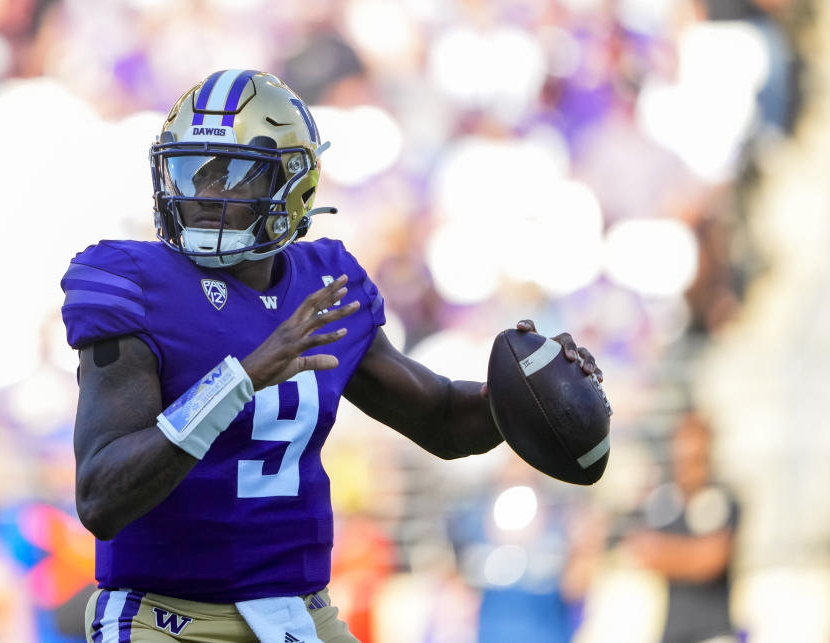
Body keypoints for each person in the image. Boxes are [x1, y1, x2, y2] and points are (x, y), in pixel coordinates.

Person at [61, 69, 603, 643]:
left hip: (295, 616)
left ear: (292, 185)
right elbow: (101, 497)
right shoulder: (133, 283)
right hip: (164, 618)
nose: (201, 194)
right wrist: (240, 380)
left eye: (231, 175)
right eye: (191, 170)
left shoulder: (326, 284)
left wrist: (528, 390)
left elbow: (443, 421)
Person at [619, 412, 741, 643]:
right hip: (671, 634)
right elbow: (640, 551)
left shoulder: (725, 499)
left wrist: (666, 552)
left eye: (696, 458)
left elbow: (710, 560)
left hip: (714, 633)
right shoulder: (661, 502)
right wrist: (690, 553)